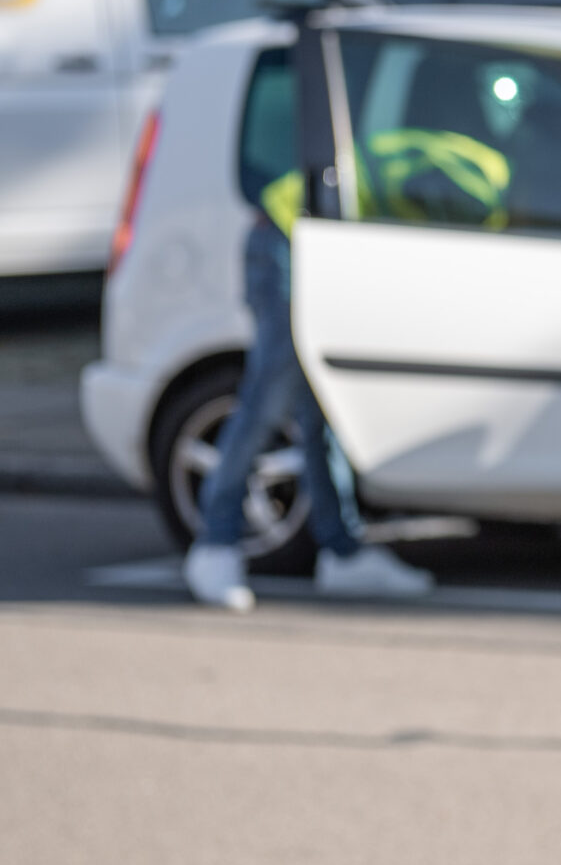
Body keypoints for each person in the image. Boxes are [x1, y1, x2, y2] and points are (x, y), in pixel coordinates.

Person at [183, 146, 443, 612]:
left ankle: (341, 549)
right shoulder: (474, 181)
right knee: (269, 398)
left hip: (322, 239)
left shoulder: (462, 163)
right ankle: (215, 542)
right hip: (289, 239)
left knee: (325, 404)